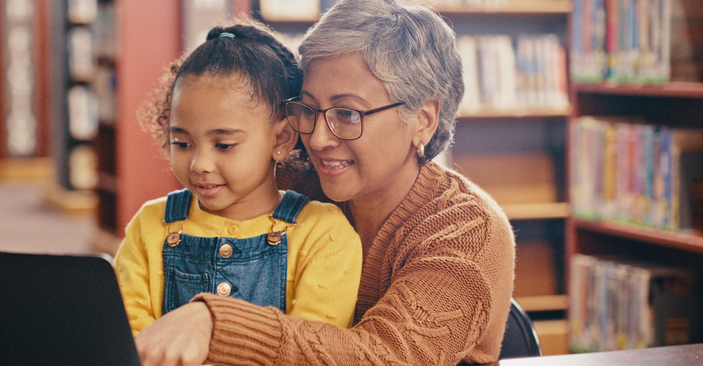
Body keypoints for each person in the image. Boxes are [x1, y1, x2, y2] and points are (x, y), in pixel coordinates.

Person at [133, 0, 516, 365]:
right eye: (308, 109)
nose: (316, 138)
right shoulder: (291, 179)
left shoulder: (468, 231)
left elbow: (388, 357)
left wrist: (216, 323)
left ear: (424, 119)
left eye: (347, 114)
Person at [113, 21, 363, 336]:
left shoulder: (324, 235)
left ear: (281, 139)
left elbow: (309, 349)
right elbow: (129, 342)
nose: (200, 164)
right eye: (183, 144)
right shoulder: (148, 226)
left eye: (224, 145)